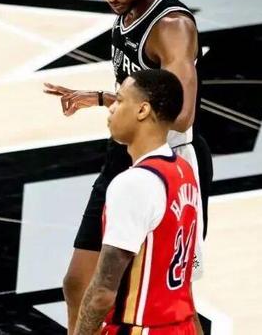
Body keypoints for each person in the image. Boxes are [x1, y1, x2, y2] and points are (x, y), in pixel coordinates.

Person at [43, 0, 212, 334]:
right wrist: (105, 98)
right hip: (126, 155)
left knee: (168, 295)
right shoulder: (128, 13)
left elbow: (182, 114)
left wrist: (120, 106)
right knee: (78, 283)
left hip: (169, 163)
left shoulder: (171, 26)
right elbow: (145, 92)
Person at [74, 69, 203, 335]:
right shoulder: (184, 172)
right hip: (183, 326)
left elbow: (102, 292)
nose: (111, 108)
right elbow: (185, 282)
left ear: (143, 110)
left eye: (120, 100)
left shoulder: (134, 184)